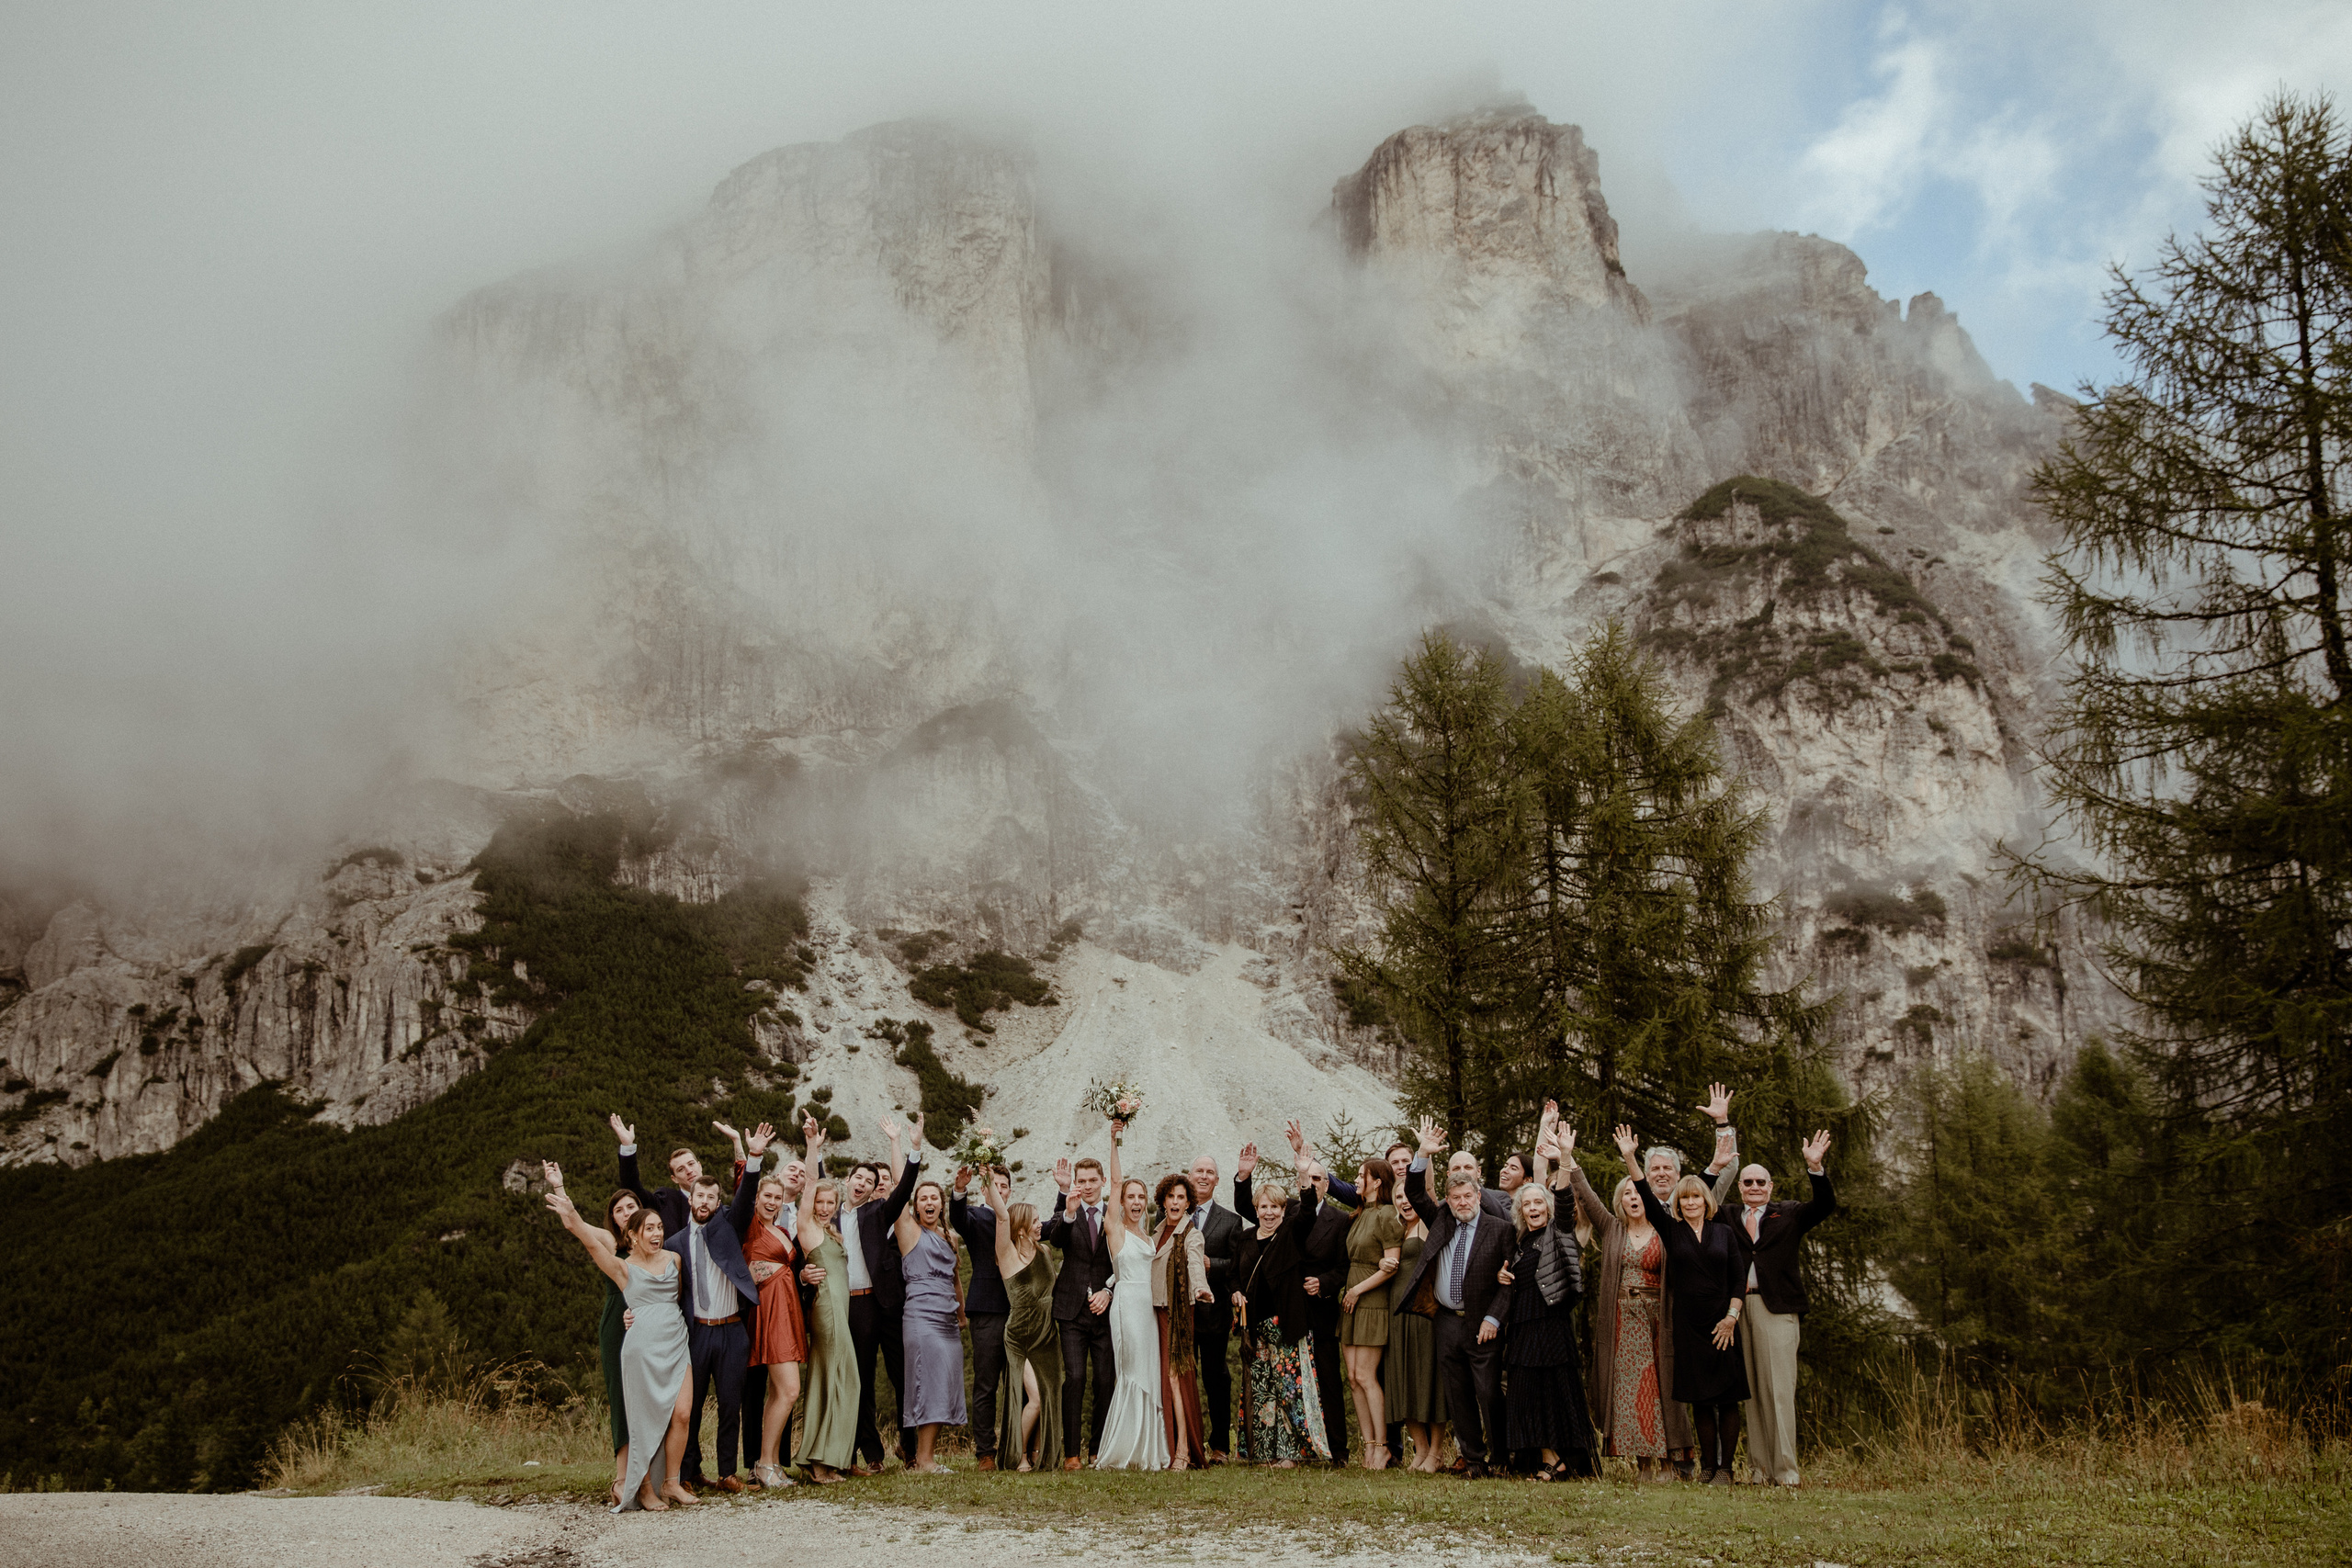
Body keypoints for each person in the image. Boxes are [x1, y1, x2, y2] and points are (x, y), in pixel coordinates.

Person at [546, 1183, 695, 1511]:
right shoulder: (622, 1269)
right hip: (640, 1348)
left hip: (676, 1342)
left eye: (659, 1227)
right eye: (649, 1229)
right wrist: (569, 1212)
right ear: (634, 1236)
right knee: (639, 1421)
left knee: (682, 1413)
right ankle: (643, 1489)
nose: (657, 1234)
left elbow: (678, 1300)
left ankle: (671, 1482)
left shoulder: (675, 1259)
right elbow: (589, 1243)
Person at [1616, 1123, 1747, 1485]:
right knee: (1701, 1400)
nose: (1691, 1202)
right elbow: (1643, 1187)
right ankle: (1707, 1468)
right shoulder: (1671, 1231)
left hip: (1725, 1323)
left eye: (1696, 1197)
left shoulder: (1723, 1231)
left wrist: (1731, 1317)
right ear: (1678, 1203)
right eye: (1685, 1198)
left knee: (1728, 1399)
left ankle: (1727, 1469)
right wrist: (1630, 1156)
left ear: (1707, 1201)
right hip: (1690, 1325)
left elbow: (1738, 1277)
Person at [1398, 1115, 1517, 1477]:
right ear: (1447, 1201)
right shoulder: (1442, 1221)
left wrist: (1494, 1318)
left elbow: (1508, 1282)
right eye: (1456, 1197)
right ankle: (1475, 1461)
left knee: (1489, 1394)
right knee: (1458, 1394)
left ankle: (1500, 1458)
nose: (1463, 1202)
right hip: (1447, 1322)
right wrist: (1422, 1154)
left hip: (1483, 1323)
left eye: (1468, 1196)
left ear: (1479, 1195)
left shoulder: (1501, 1230)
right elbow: (1416, 1193)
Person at [1725, 1130, 1837, 1487]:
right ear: (1739, 1187)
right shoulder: (1727, 1216)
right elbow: (1696, 1200)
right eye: (1748, 1181)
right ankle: (1760, 1471)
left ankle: (1786, 1472)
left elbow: (1825, 1206)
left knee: (1778, 1390)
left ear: (1770, 1186)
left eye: (1761, 1181)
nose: (1754, 1186)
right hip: (1738, 1310)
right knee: (1752, 1393)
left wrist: (1815, 1167)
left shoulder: (1788, 1213)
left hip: (1778, 1310)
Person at [1238, 1136, 1356, 1463]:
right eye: (1309, 1179)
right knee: (1290, 1385)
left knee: (1328, 1381)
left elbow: (1343, 1267)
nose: (1315, 1183)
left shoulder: (1339, 1219)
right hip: (1287, 1311)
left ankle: (1337, 1451)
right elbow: (1253, 1209)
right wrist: (1244, 1178)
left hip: (1320, 1309)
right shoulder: (1287, 1212)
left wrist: (1325, 1283)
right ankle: (1295, 1447)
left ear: (1328, 1184)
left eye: (1320, 1178)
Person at [668, 1145, 764, 1494]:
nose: (705, 1201)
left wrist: (753, 1159)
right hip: (696, 1334)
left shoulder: (729, 1225)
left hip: (732, 1330)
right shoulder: (674, 1243)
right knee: (689, 1409)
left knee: (729, 1405)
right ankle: (688, 1473)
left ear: (717, 1201)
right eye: (700, 1196)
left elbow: (747, 1196)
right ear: (690, 1198)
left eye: (712, 1196)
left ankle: (727, 1473)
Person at [541, 1164, 639, 1505]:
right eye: (619, 1209)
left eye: (631, 1207)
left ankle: (656, 1477)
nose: (626, 1213)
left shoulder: (655, 1240)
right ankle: (622, 1478)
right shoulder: (610, 1240)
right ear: (613, 1218)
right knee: (622, 1397)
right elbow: (575, 1225)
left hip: (653, 1322)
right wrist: (561, 1187)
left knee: (652, 1397)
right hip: (618, 1322)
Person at [1492, 1180, 1592, 1480]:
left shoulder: (1558, 1233)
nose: (1533, 1208)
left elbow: (1565, 1205)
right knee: (1527, 1396)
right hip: (1523, 1326)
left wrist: (1563, 1157)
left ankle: (1558, 1460)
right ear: (1521, 1211)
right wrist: (1503, 1275)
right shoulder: (1521, 1241)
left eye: (1538, 1203)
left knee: (1552, 1396)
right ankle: (1543, 1458)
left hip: (1551, 1327)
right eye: (1527, 1204)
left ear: (1547, 1207)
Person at [1229, 1174, 1328, 1465]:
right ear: (1256, 1210)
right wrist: (1235, 1292)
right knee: (1261, 1391)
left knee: (1289, 1391)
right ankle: (1262, 1452)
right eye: (1263, 1207)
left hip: (1287, 1325)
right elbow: (1233, 1275)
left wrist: (1303, 1175)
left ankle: (1292, 1454)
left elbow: (1308, 1212)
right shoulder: (1245, 1238)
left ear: (1284, 1211)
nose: (1269, 1212)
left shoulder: (1290, 1234)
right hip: (1256, 1328)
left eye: (1275, 1207)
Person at [1089, 1122, 1169, 1469]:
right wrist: (1113, 1141)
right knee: (1132, 1371)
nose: (1135, 1201)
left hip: (1148, 1309)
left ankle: (1148, 1448)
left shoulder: (1151, 1237)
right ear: (1121, 1202)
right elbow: (1116, 1181)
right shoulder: (1116, 1230)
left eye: (1141, 1197)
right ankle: (1123, 1448)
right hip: (1126, 1308)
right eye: (1130, 1197)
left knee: (1149, 1372)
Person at [844, 1141, 921, 1471]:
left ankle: (911, 1448)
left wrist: (910, 1149)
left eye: (870, 1181)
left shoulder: (878, 1210)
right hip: (856, 1305)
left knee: (902, 1376)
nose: (862, 1184)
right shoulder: (836, 1215)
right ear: (847, 1181)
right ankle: (872, 1455)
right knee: (862, 1379)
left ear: (877, 1189)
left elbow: (904, 1191)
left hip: (889, 1305)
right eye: (857, 1178)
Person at [793, 1117, 858, 1483]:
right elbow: (811, 1182)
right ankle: (821, 1462)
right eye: (820, 1201)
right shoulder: (808, 1226)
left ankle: (822, 1458)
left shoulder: (831, 1232)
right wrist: (813, 1144)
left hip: (838, 1310)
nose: (824, 1206)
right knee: (841, 1378)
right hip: (827, 1309)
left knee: (829, 1377)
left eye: (831, 1202)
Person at [1042, 1153, 1118, 1468]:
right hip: (1071, 1310)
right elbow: (1056, 1239)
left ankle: (1097, 1450)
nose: (1087, 1187)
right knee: (1074, 1378)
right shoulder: (1067, 1212)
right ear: (1076, 1183)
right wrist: (1069, 1214)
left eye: (1092, 1180)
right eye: (1081, 1181)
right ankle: (1072, 1453)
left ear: (1102, 1181)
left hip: (1106, 1310)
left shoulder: (1115, 1214)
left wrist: (1109, 1291)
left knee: (1105, 1380)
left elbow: (1123, 1260)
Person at [741, 1164, 808, 1488]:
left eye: (777, 1197)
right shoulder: (750, 1227)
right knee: (791, 1390)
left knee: (777, 1392)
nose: (771, 1201)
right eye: (766, 1195)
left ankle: (767, 1462)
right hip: (770, 1309)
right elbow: (742, 1185)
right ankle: (767, 1463)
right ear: (755, 1198)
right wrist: (748, 1155)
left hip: (787, 1306)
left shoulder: (781, 1231)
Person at [991, 1179, 1064, 1471]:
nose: (1039, 1225)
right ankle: (1018, 1457)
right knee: (1033, 1399)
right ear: (1020, 1228)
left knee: (1049, 1394)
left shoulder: (1045, 1252)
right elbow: (1001, 1216)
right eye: (1034, 1221)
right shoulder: (1008, 1255)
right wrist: (987, 1176)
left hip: (1047, 1334)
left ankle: (1037, 1452)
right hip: (1020, 1336)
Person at [1338, 1159, 1403, 1470]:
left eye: (1362, 1175)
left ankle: (1383, 1446)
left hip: (1371, 1299)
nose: (1357, 1180)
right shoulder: (1361, 1213)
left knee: (1366, 1376)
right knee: (1352, 1378)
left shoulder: (1388, 1214)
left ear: (1378, 1182)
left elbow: (1392, 1265)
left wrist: (1358, 1290)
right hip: (1352, 1299)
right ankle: (1367, 1446)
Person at [951, 1161, 1013, 1472]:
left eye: (1004, 1187)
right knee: (987, 1384)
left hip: (1019, 1311)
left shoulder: (1018, 1218)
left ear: (1010, 1191)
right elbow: (957, 1218)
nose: (999, 1191)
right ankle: (985, 1453)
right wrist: (959, 1190)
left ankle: (1018, 1449)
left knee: (1018, 1385)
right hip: (987, 1309)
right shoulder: (975, 1217)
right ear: (984, 1191)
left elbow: (1049, 1230)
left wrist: (1062, 1194)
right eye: (994, 1187)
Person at [1150, 1171, 1214, 1468]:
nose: (1175, 1202)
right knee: (1161, 1378)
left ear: (1189, 1203)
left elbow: (1194, 1262)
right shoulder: (1155, 1232)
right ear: (1163, 1201)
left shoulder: (1192, 1233)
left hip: (1176, 1313)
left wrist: (1201, 1287)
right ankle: (1162, 1447)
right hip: (1152, 1312)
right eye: (1171, 1197)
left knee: (1177, 1378)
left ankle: (1185, 1451)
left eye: (1181, 1198)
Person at [1183, 1151, 1244, 1461]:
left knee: (1215, 1377)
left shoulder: (1231, 1220)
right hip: (1180, 1311)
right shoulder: (1171, 1213)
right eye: (1199, 1171)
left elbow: (1237, 1264)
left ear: (1217, 1181)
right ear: (1189, 1177)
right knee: (1181, 1378)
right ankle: (1185, 1442)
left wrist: (1212, 1265)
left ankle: (1220, 1444)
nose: (1204, 1176)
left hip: (1214, 1313)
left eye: (1210, 1172)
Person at [1382, 1182, 1444, 1472]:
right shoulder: (1397, 1229)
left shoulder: (1429, 1224)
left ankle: (1437, 1452)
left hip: (1423, 1312)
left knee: (1427, 1380)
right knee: (1402, 1380)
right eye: (1398, 1197)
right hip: (1397, 1313)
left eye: (1408, 1196)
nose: (1404, 1201)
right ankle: (1420, 1449)